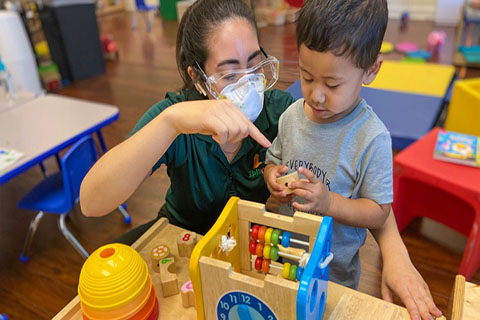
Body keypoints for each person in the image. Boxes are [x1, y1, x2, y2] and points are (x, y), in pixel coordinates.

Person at [79, 0, 441, 319]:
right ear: (199, 78)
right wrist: (172, 123)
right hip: (187, 246)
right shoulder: (175, 117)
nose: (250, 83)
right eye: (231, 72)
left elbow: (364, 189)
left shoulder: (285, 113)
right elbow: (93, 202)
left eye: (255, 64)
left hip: (255, 259)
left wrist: (396, 255)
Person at [263, 1, 442, 319]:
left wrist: (328, 202)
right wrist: (272, 176)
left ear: (371, 70)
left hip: (334, 276)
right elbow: (274, 158)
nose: (316, 95)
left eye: (332, 84)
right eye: (307, 76)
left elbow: (377, 212)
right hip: (284, 257)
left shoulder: (371, 138)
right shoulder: (292, 115)